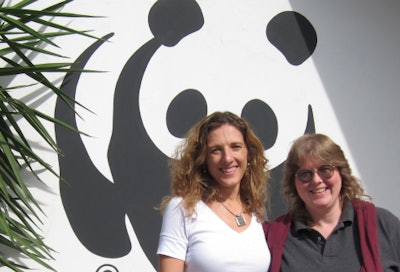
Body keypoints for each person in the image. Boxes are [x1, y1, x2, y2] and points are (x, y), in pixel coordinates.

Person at [263, 133, 400, 272]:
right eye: (305, 174)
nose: (316, 180)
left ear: (342, 172)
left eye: (325, 170)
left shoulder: (383, 225)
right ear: (294, 182)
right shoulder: (277, 238)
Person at [157, 111, 271, 272]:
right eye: (216, 150)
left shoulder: (257, 211)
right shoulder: (182, 208)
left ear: (249, 153)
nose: (227, 158)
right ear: (203, 159)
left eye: (235, 147)